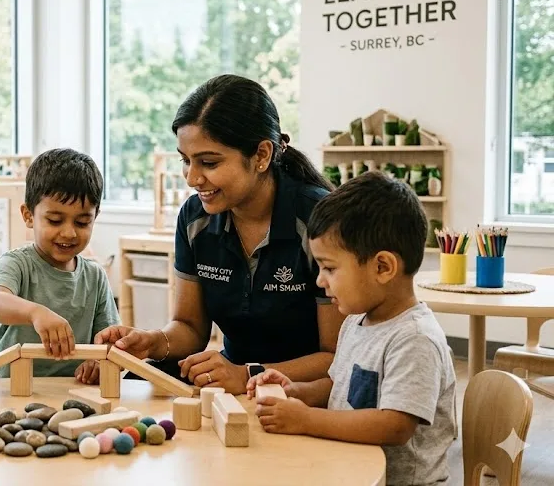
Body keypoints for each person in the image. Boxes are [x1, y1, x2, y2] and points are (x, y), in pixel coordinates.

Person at [93, 74, 344, 393]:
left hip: (306, 396)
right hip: (233, 387)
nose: (192, 178)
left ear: (262, 156)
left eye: (208, 162)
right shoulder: (194, 219)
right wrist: (153, 342)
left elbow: (337, 357)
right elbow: (190, 328)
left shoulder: (319, 220)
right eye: (186, 161)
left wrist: (249, 374)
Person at [249, 171, 457, 486]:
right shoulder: (356, 321)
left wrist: (306, 419)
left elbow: (395, 425)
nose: (319, 281)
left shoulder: (414, 339)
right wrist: (294, 392)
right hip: (349, 470)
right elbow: (339, 387)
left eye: (330, 268)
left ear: (383, 267)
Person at [0, 148, 120, 380]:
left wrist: (99, 362)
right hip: (11, 391)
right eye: (54, 220)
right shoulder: (17, 263)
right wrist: (35, 313)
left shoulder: (95, 276)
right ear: (28, 216)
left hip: (72, 394)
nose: (69, 233)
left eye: (82, 222)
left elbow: (109, 342)